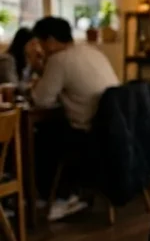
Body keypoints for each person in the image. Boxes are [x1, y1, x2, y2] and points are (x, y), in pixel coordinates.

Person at [31, 17, 119, 219]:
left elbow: (41, 100)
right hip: (114, 131)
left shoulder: (58, 60)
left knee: (43, 136)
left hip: (89, 136)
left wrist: (37, 65)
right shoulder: (92, 51)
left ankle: (61, 195)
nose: (41, 48)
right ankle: (67, 193)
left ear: (51, 40)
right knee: (53, 128)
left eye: (41, 43)